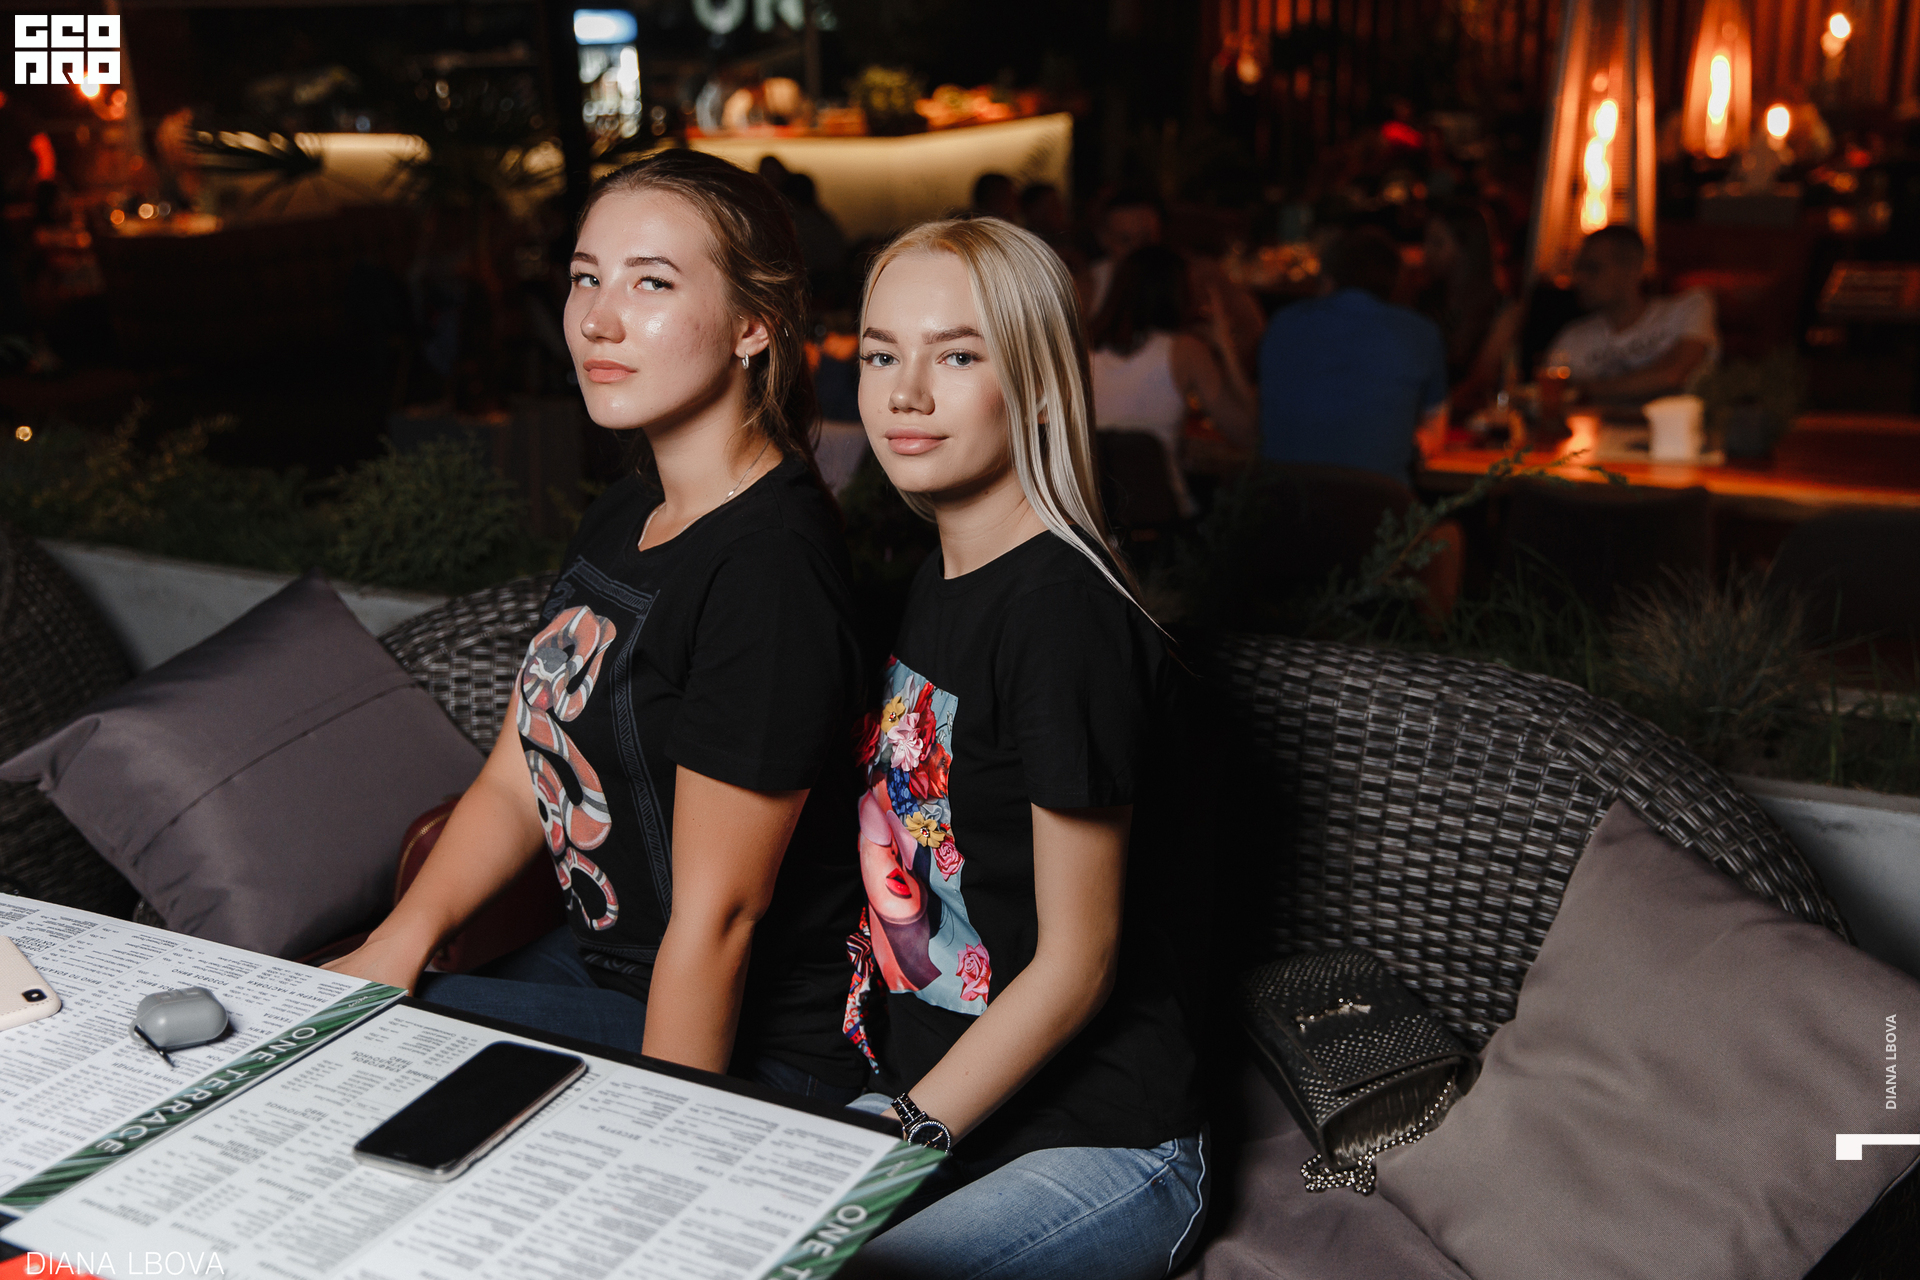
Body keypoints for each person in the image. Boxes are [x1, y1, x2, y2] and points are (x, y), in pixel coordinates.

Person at [326, 150, 868, 1105]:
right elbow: (515, 775)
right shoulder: (629, 509)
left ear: (754, 323)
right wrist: (392, 947)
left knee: (362, 1073)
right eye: (586, 277)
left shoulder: (768, 572)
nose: (597, 320)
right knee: (319, 1022)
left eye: (651, 283)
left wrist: (653, 1133)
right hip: (598, 967)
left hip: (744, 1037)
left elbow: (720, 920)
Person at [838, 217, 1207, 1279]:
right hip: (948, 1097)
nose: (906, 393)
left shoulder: (1062, 614)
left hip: (1103, 1141)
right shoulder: (942, 577)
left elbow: (1079, 967)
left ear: (1040, 388)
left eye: (958, 356)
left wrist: (888, 1146)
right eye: (880, 355)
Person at [1259, 226, 1448, 482]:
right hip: (1380, 501)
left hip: (1285, 499)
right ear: (1396, 282)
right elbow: (1433, 435)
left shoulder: (1283, 324)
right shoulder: (1420, 333)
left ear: (1327, 280)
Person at [1088, 244, 1256, 515]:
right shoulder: (1185, 351)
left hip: (1091, 521)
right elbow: (1249, 434)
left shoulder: (1080, 352)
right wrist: (1226, 347)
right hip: (1163, 521)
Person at [1545, 224, 1718, 404]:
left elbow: (1674, 374)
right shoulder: (1572, 338)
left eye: (1593, 268)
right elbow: (1550, 394)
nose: (1580, 278)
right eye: (1578, 268)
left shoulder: (1688, 308)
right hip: (1598, 422)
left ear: (1632, 268)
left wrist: (1584, 389)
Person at [1417, 203, 1520, 414]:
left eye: (1438, 243)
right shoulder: (1425, 298)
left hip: (1468, 416)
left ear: (1467, 249)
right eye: (1426, 241)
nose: (1426, 252)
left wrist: (1435, 410)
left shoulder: (1501, 308)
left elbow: (1482, 378)